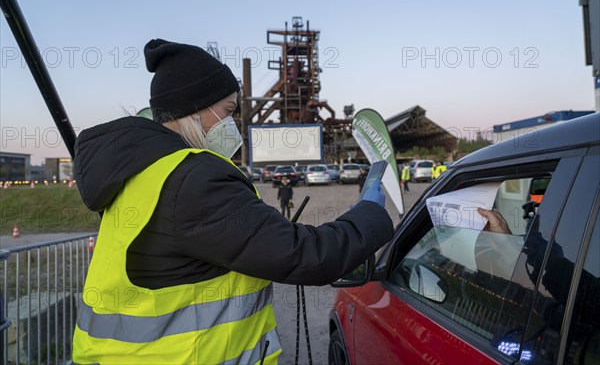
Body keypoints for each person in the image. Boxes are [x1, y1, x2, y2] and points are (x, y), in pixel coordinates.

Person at [71, 39, 394, 364]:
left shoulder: (141, 173)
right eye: (226, 112)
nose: (231, 124)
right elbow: (303, 256)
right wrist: (369, 216)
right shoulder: (194, 179)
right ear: (195, 109)